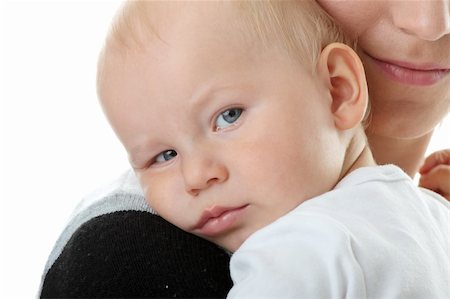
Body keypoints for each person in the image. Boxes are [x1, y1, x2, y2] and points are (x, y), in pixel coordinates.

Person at [39, 0, 450, 297]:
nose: (431, 22)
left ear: (339, 90)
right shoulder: (125, 256)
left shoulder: (323, 241)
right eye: (162, 156)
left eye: (230, 116)